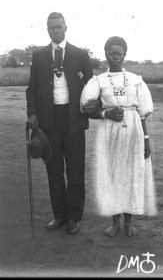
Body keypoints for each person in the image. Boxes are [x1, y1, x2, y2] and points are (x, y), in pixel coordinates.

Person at [26, 12, 100, 234]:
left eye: (58, 27)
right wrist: (32, 113)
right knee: (54, 169)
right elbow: (32, 89)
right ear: (47, 29)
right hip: (49, 121)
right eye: (51, 28)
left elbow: (92, 85)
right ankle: (59, 215)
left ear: (65, 27)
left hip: (74, 119)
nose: (54, 30)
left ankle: (73, 217)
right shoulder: (39, 56)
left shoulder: (79, 54)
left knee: (76, 170)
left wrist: (94, 105)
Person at [80, 36, 157, 237]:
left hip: (133, 130)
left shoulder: (136, 80)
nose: (115, 56)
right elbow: (86, 107)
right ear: (105, 54)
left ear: (124, 55)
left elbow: (142, 113)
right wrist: (105, 113)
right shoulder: (98, 81)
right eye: (111, 53)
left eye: (118, 53)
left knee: (132, 173)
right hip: (109, 131)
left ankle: (129, 222)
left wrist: (146, 140)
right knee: (112, 174)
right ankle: (115, 222)